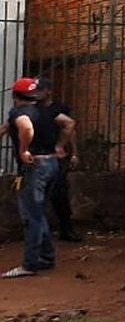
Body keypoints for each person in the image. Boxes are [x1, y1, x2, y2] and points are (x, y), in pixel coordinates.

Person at [4, 77, 72, 278]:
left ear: (15, 96)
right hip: (52, 164)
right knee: (38, 212)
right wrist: (59, 146)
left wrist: (24, 150)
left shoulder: (19, 112)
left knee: (31, 216)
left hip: (35, 168)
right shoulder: (46, 110)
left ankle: (29, 264)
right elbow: (68, 123)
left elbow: (25, 127)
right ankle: (46, 257)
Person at [35, 78, 80, 241]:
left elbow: (71, 129)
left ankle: (66, 228)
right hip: (38, 157)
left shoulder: (58, 109)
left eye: (41, 88)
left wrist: (73, 152)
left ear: (49, 90)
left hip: (56, 157)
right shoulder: (33, 110)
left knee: (60, 194)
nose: (37, 91)